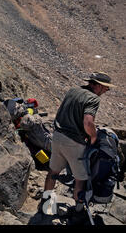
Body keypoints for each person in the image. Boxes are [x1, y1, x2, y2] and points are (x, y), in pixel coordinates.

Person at [39, 72, 115, 219]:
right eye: (106, 88)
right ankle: (78, 212)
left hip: (57, 136)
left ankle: (46, 203)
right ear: (98, 86)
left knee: (53, 171)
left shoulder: (74, 90)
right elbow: (88, 122)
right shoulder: (93, 99)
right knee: (81, 179)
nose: (107, 91)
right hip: (74, 142)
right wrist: (93, 138)